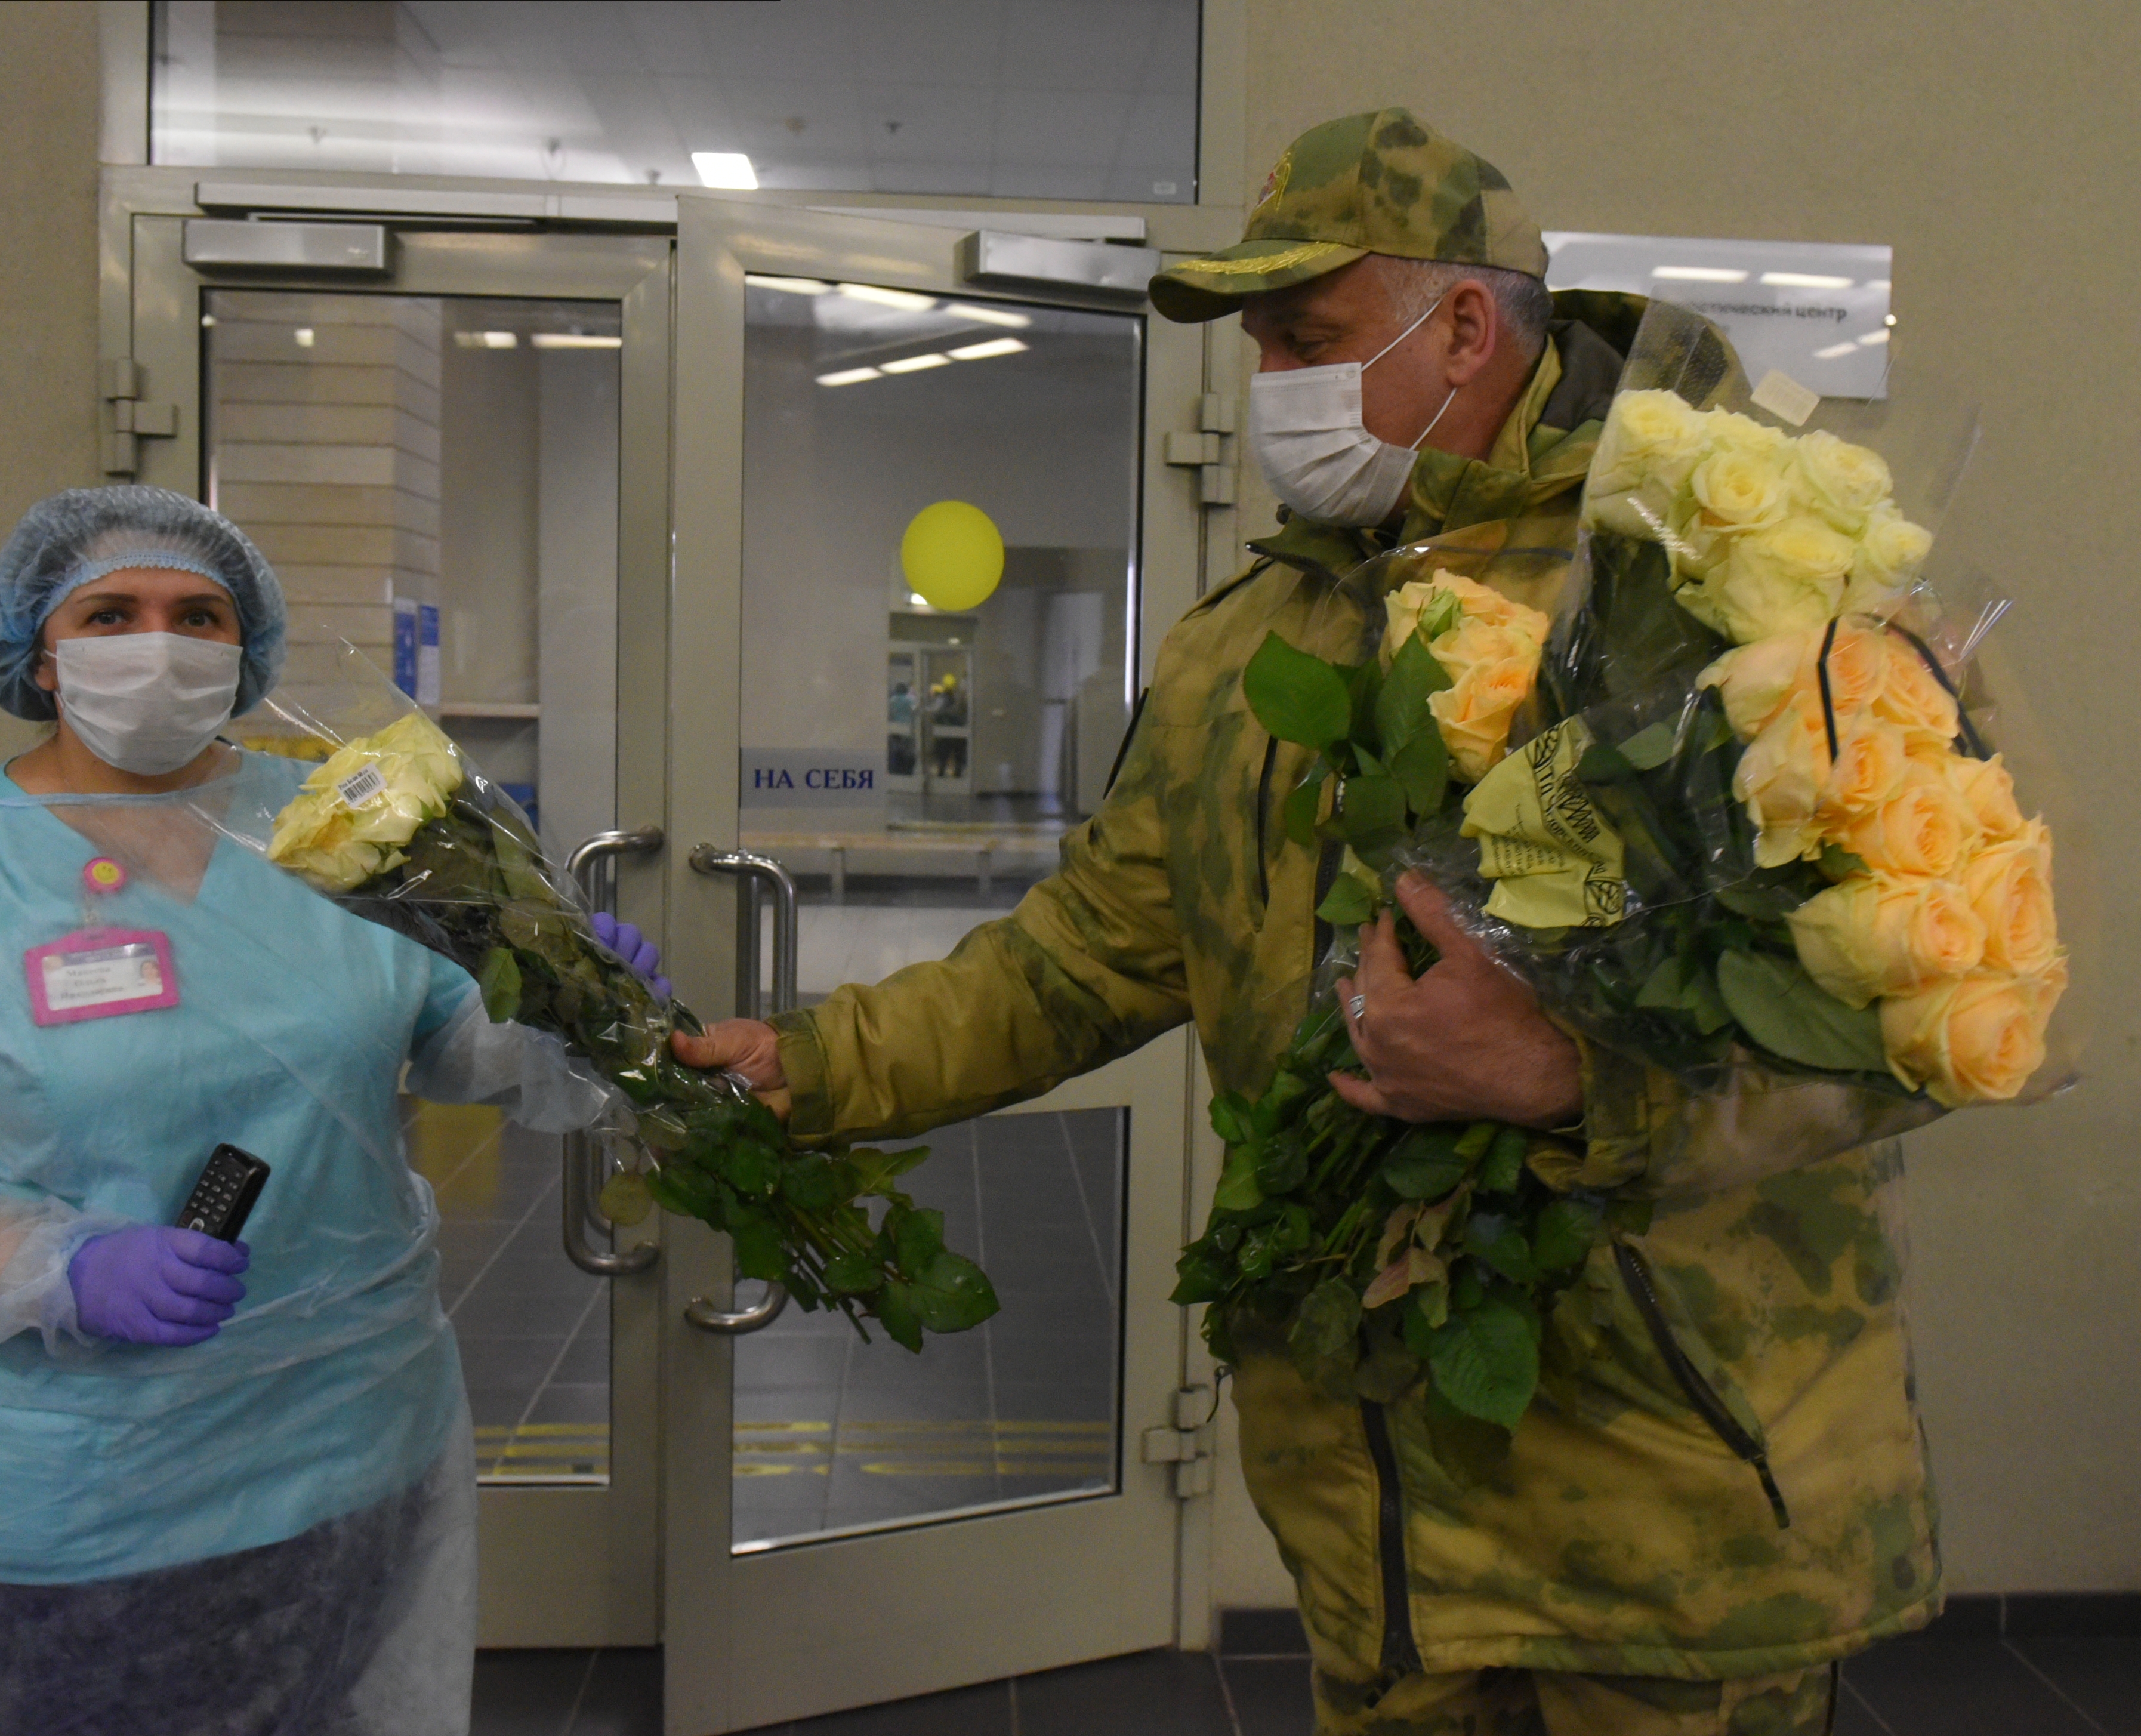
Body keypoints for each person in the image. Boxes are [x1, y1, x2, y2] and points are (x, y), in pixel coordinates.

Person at [678, 111, 1942, 1736]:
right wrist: (816, 1059)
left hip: (1676, 1510)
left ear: (1468, 324)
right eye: (1263, 344)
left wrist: (1575, 1079)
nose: (1275, 382)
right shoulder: (1245, 652)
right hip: (1379, 1523)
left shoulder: (1731, 590)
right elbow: (1078, 957)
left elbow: (1925, 1007)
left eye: (1311, 337)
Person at [0, 485, 659, 1736]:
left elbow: (451, 1040)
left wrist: (558, 1002)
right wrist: (55, 1269)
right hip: (67, 1484)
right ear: (43, 655)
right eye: (111, 613)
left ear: (245, 650)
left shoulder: (341, 835)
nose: (158, 644)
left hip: (349, 1435)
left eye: (197, 615)